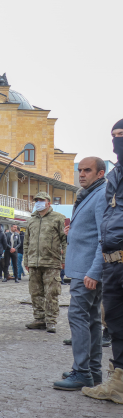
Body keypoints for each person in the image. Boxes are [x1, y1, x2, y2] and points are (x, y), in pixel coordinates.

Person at [51, 157, 107, 390]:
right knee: (92, 320)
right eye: (80, 170)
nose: (82, 174)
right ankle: (93, 371)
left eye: (87, 170)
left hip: (88, 271)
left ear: (100, 174)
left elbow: (105, 237)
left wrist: (94, 271)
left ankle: (82, 371)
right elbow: (90, 232)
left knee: (78, 317)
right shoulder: (89, 194)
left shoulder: (101, 195)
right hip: (84, 269)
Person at [82, 122, 123, 402]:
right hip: (113, 263)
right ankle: (118, 383)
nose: (117, 142)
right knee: (117, 325)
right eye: (115, 137)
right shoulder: (114, 176)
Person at [24, 192, 67, 333]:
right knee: (35, 293)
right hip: (34, 262)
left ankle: (51, 321)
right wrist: (26, 260)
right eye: (36, 200)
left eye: (41, 200)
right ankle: (39, 319)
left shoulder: (58, 218)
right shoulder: (31, 220)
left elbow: (65, 240)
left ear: (48, 202)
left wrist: (64, 260)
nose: (38, 202)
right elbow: (26, 242)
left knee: (51, 294)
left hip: (52, 262)